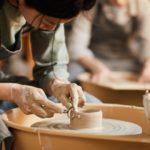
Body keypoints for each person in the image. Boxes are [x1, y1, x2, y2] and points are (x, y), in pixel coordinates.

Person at [0, 0, 99, 119]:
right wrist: (13, 92)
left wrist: (57, 84)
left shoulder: (53, 9)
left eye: (60, 23)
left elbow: (50, 65)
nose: (52, 28)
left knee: (92, 105)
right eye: (48, 22)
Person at [66, 0, 150, 83]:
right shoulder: (91, 4)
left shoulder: (142, 5)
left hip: (128, 62)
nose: (118, 2)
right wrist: (98, 68)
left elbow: (147, 46)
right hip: (94, 59)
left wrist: (148, 67)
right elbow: (75, 48)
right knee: (70, 73)